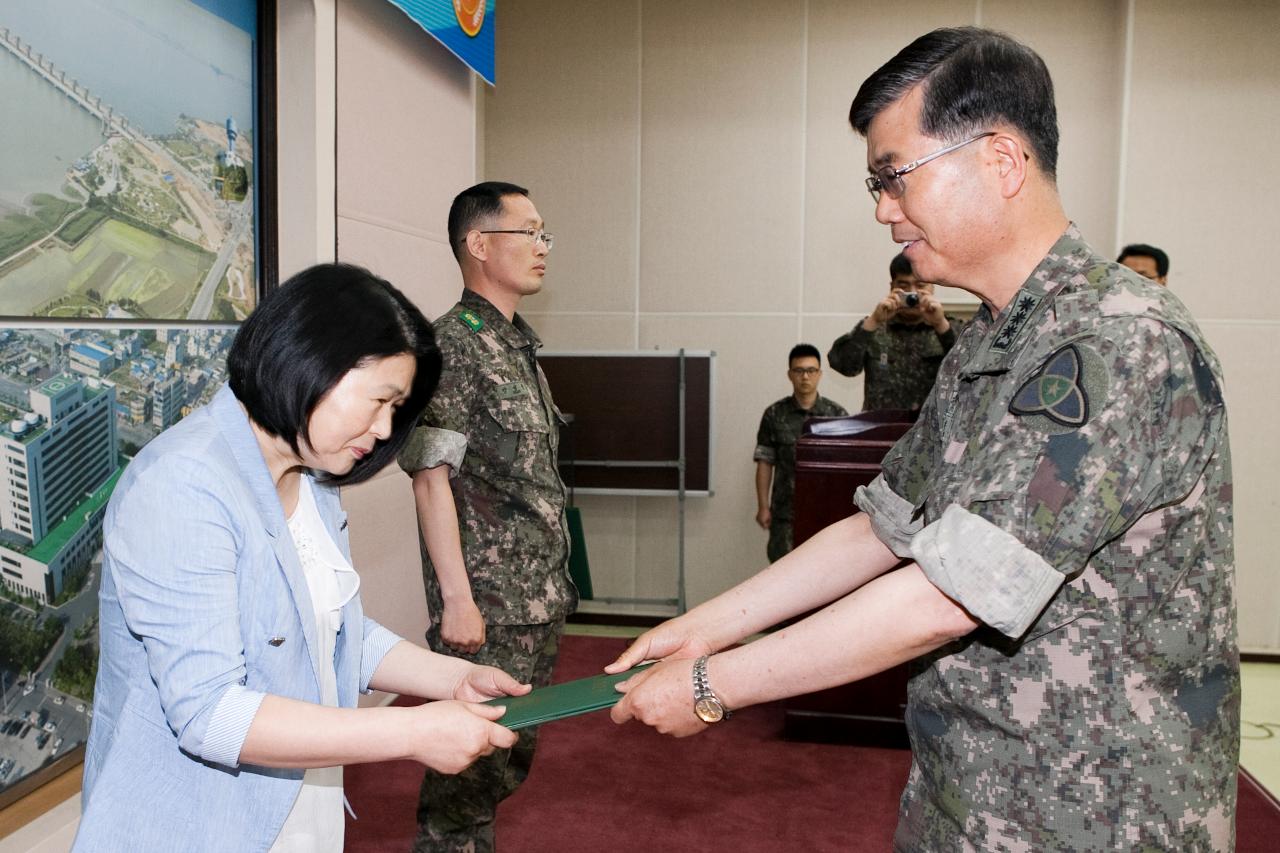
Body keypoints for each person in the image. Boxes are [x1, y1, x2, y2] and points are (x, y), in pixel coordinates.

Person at [608, 26, 1237, 851]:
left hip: (1100, 813)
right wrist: (710, 624)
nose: (881, 208)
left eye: (894, 176)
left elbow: (950, 591)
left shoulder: (1119, 340)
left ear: (1000, 161)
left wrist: (710, 683)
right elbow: (882, 527)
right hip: (972, 797)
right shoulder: (989, 343)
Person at [74, 264, 527, 853]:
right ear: (309, 361)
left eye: (397, 409)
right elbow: (212, 714)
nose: (383, 428)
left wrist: (454, 679)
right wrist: (410, 729)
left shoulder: (312, 476)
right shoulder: (183, 485)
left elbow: (332, 632)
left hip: (291, 808)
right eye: (379, 401)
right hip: (191, 824)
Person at [398, 181, 577, 852]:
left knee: (503, 762)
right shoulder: (452, 346)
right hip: (488, 610)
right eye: (528, 232)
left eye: (543, 233)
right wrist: (457, 601)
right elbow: (429, 478)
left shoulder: (514, 346)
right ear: (478, 244)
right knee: (465, 780)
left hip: (533, 600)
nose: (542, 247)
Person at [827, 252, 961, 411]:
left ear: (932, 287)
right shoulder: (875, 328)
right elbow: (844, 365)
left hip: (930, 430)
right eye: (904, 287)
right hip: (881, 430)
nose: (913, 294)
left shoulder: (948, 328)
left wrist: (940, 324)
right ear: (892, 287)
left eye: (920, 286)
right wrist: (874, 321)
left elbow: (968, 368)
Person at [753, 344, 848, 561]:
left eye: (811, 370)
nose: (805, 377)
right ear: (790, 375)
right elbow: (765, 462)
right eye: (799, 371)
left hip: (826, 514)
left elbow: (844, 467)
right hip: (786, 514)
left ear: (820, 374)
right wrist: (763, 506)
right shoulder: (774, 414)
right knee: (781, 572)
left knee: (826, 572)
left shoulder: (836, 415)